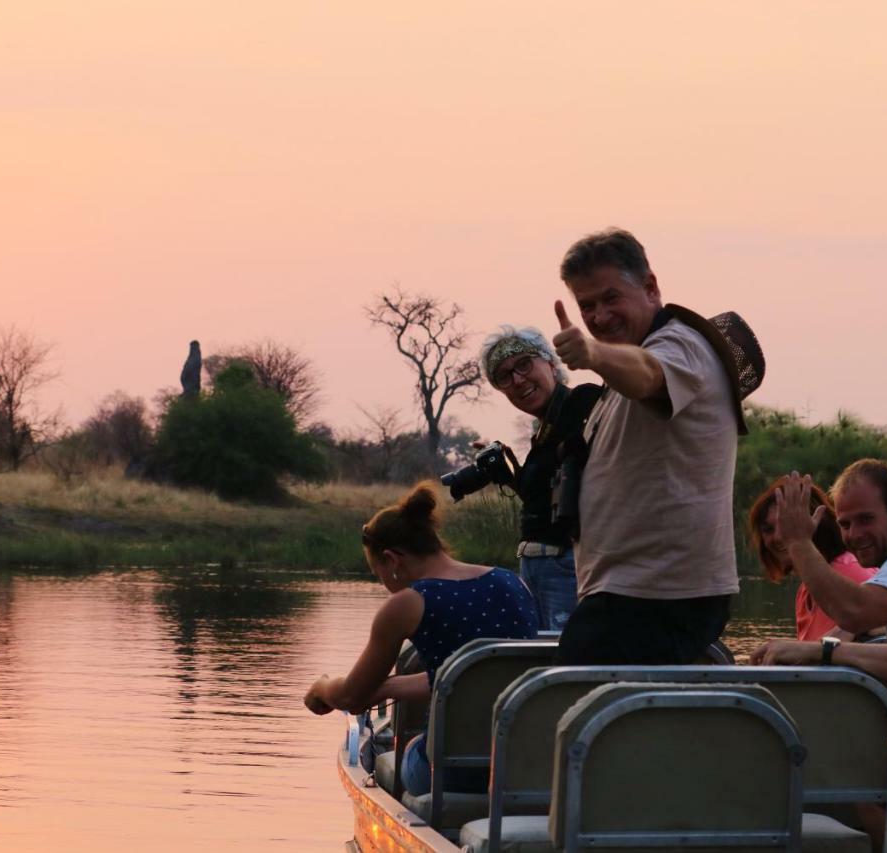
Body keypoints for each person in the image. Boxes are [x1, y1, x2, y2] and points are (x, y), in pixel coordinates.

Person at [550, 227, 764, 665]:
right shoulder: (623, 364)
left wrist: (591, 353)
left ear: (650, 287)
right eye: (586, 305)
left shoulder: (681, 344)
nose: (599, 315)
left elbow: (649, 373)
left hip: (655, 595)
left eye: (611, 298)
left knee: (566, 717)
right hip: (628, 593)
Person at [301, 483, 538, 796]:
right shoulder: (511, 582)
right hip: (526, 764)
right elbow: (481, 674)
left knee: (405, 750)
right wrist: (388, 687)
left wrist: (322, 688)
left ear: (393, 559)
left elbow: (350, 698)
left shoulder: (409, 603)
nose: (384, 582)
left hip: (455, 774)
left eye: (378, 572)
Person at [477, 325, 602, 630]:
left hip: (567, 564)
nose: (518, 380)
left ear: (550, 362)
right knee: (540, 654)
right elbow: (556, 503)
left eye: (524, 364)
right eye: (504, 377)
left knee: (560, 660)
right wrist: (511, 477)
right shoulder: (543, 430)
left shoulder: (583, 402)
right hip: (538, 565)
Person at [769, 461, 887, 643]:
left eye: (866, 519)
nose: (854, 534)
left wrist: (799, 541)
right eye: (845, 524)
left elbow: (854, 612)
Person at [746, 476, 876, 641]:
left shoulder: (850, 571)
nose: (778, 536)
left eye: (788, 524)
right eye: (768, 529)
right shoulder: (806, 590)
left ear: (818, 521)